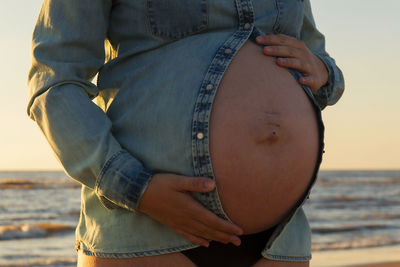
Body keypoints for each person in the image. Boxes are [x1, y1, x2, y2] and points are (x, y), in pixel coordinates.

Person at [27, 0, 344, 266]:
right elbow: (53, 82)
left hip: (280, 239)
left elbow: (320, 65)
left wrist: (324, 71)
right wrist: (134, 187)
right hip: (148, 230)